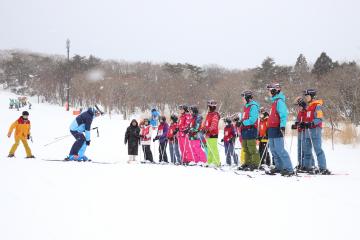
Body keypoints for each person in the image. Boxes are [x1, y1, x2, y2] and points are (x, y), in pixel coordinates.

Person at [266, 83, 294, 176]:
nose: (268, 92)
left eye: (269, 90)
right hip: (271, 129)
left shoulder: (279, 102)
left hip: (277, 128)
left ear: (274, 91)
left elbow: (283, 115)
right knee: (273, 150)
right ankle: (279, 167)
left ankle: (289, 168)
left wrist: (282, 126)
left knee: (280, 150)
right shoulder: (273, 102)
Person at [301, 89, 331, 175]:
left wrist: (311, 123)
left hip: (315, 130)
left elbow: (319, 118)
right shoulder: (309, 107)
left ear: (312, 96)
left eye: (307, 96)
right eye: (305, 96)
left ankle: (323, 168)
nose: (306, 98)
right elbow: (307, 118)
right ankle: (308, 167)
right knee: (307, 150)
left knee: (318, 149)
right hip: (307, 131)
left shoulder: (317, 106)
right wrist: (304, 124)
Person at [236, 91, 261, 171]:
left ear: (247, 98)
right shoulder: (246, 107)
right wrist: (240, 122)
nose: (242, 100)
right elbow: (244, 117)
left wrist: (243, 123)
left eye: (243, 98)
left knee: (252, 148)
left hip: (251, 129)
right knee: (245, 148)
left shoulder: (253, 106)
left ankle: (255, 163)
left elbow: (253, 119)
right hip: (245, 130)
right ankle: (247, 163)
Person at [291, 97, 314, 171]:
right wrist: (296, 124)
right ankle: (300, 163)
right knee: (299, 148)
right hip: (300, 131)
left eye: (299, 106)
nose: (298, 107)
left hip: (305, 132)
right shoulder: (300, 112)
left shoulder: (307, 111)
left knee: (306, 148)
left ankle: (310, 164)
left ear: (302, 105)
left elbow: (308, 120)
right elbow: (298, 120)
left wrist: (303, 124)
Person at [202, 100, 221, 167]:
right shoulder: (208, 114)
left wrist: (208, 130)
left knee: (213, 148)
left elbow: (214, 125)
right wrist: (203, 129)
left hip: (213, 134)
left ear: (211, 107)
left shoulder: (215, 115)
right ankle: (209, 161)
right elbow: (206, 123)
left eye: (209, 107)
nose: (208, 108)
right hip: (207, 134)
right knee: (209, 149)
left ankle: (216, 161)